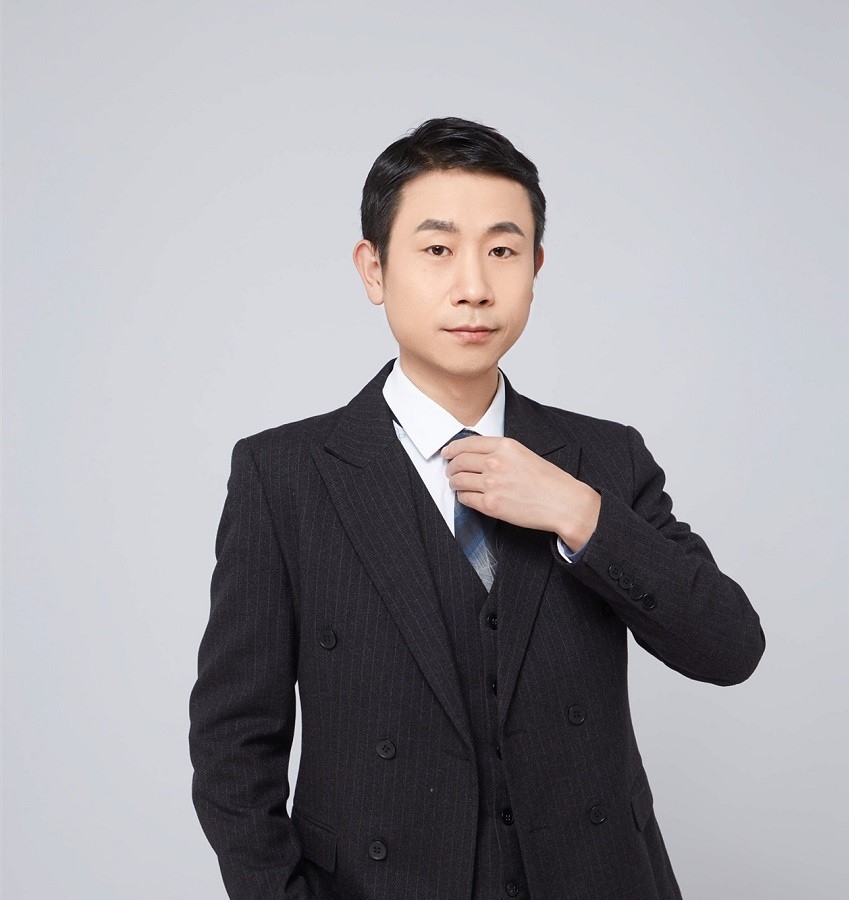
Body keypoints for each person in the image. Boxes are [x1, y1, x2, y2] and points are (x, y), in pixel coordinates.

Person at [188, 116, 765, 900]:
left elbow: (730, 648)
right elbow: (233, 743)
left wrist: (581, 515)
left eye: (502, 250)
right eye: (437, 250)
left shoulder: (603, 460)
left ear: (536, 267)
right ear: (373, 268)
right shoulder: (285, 476)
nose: (474, 287)